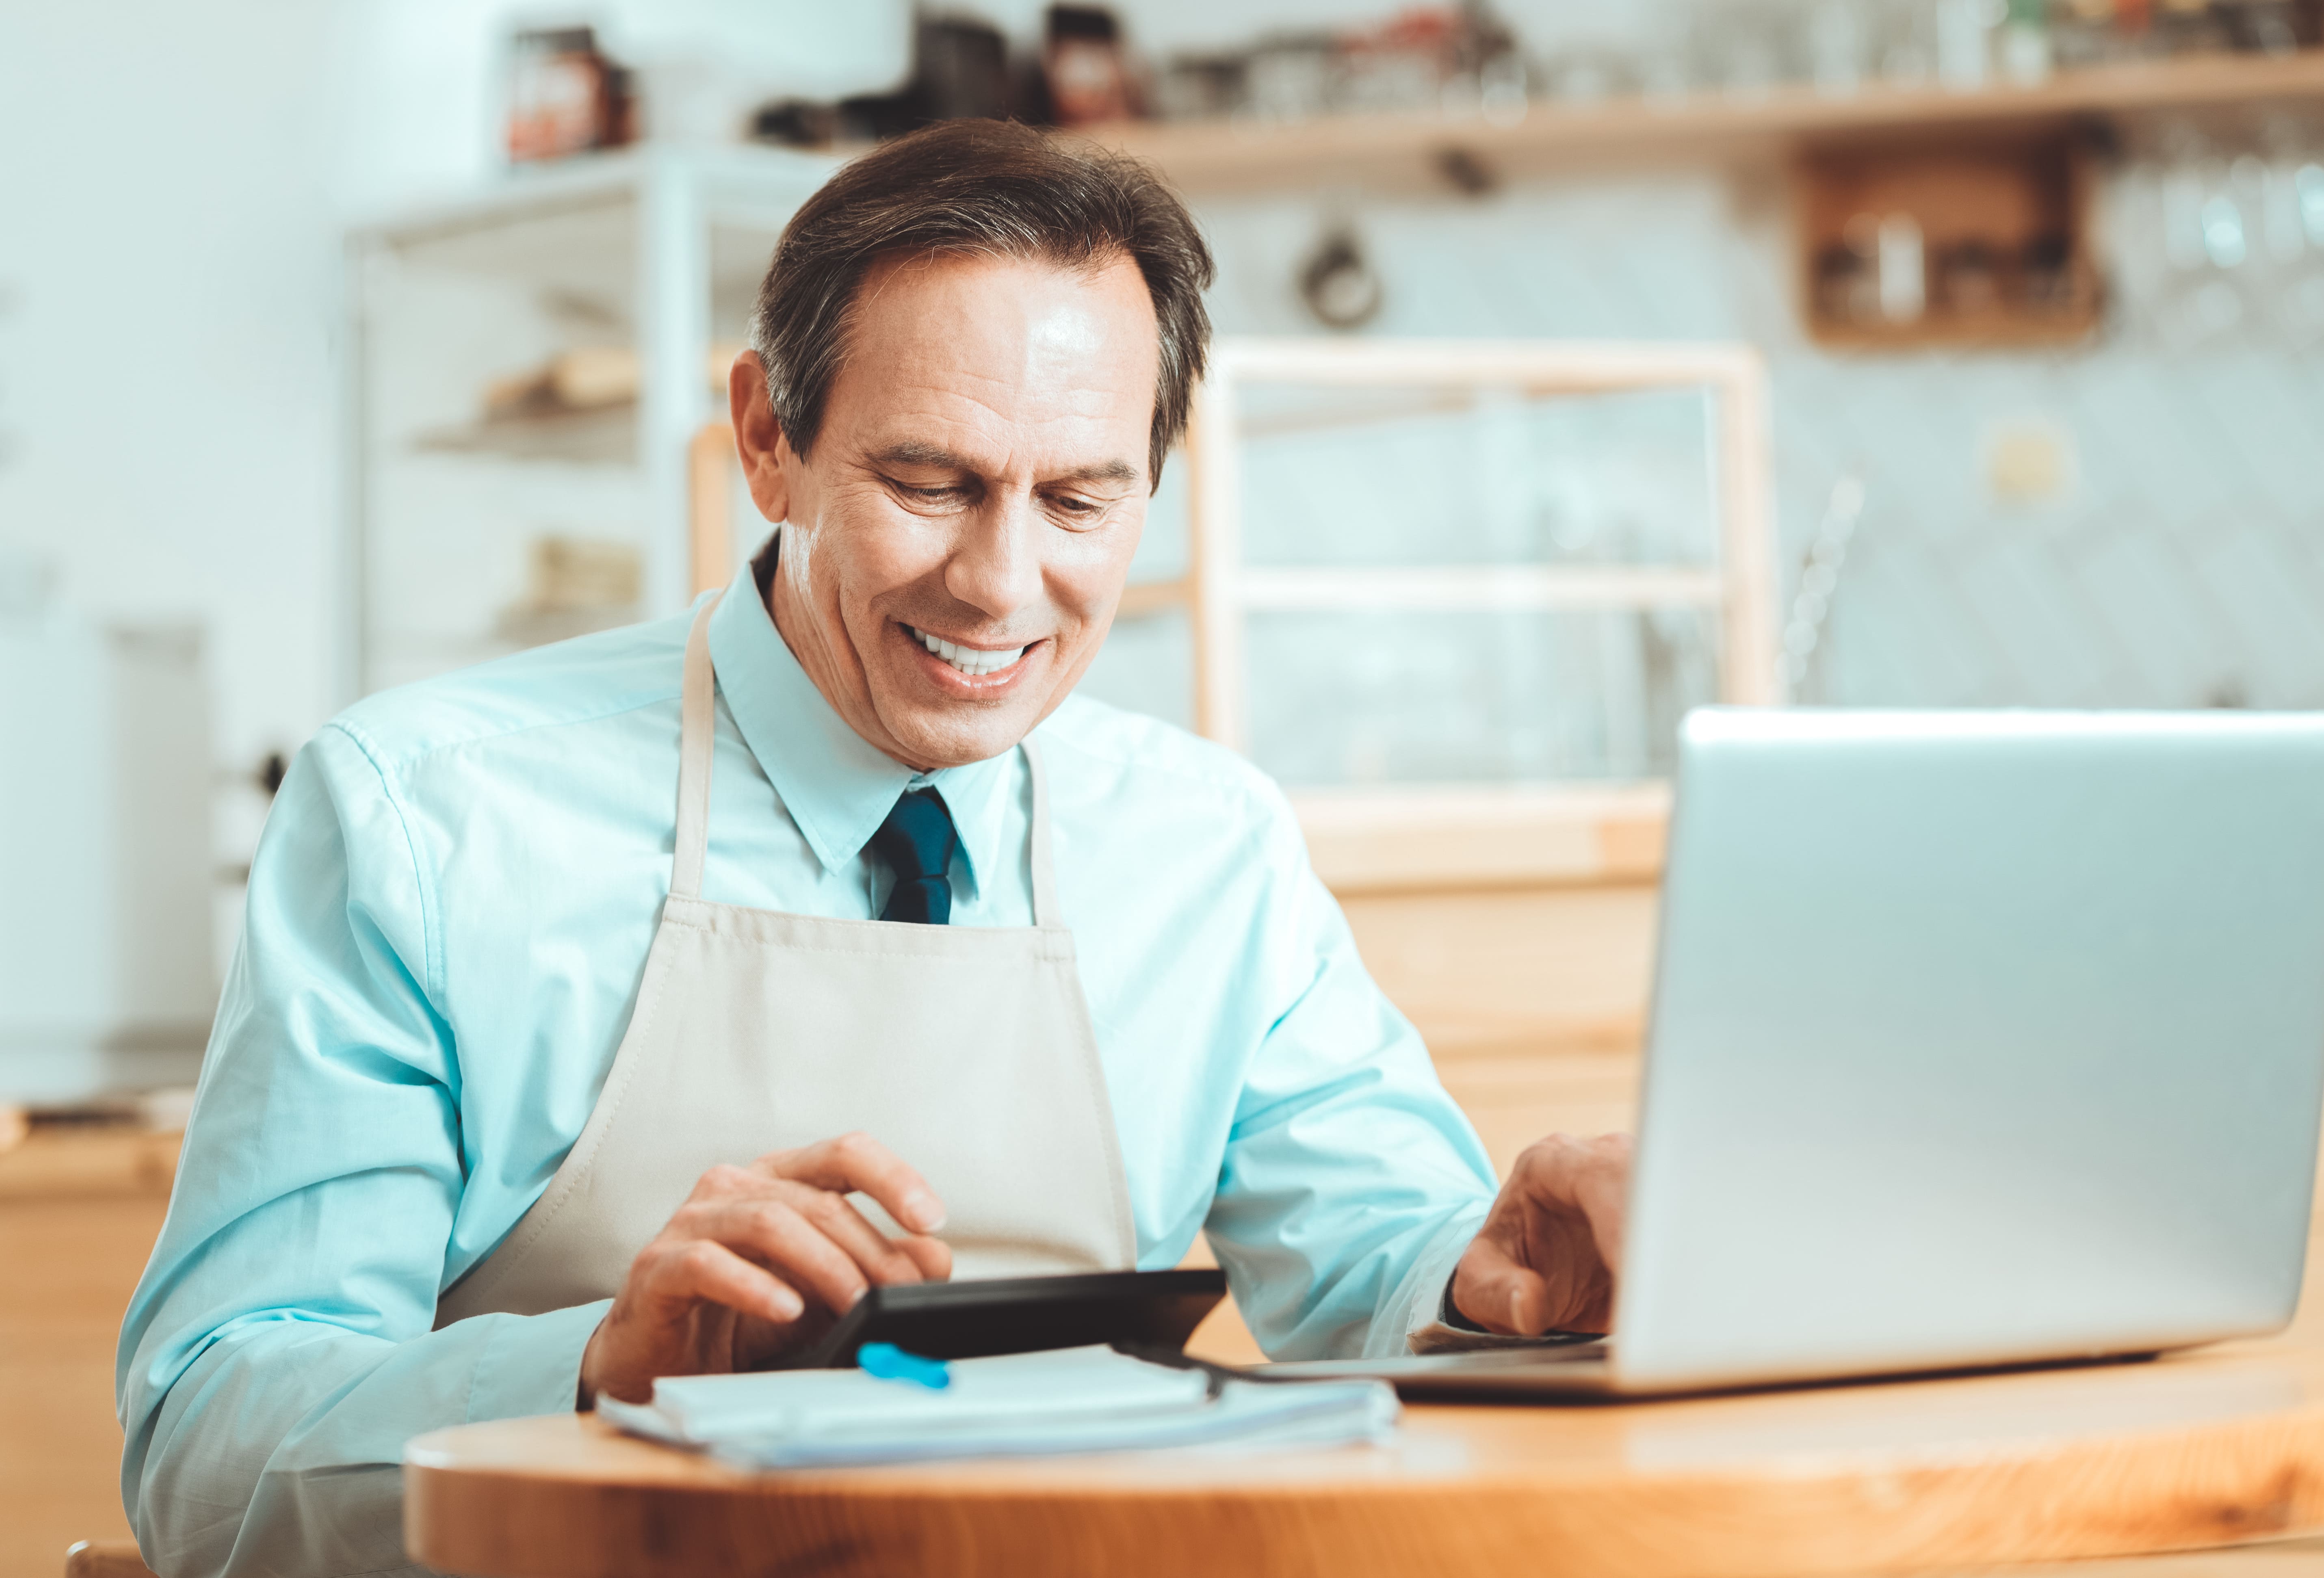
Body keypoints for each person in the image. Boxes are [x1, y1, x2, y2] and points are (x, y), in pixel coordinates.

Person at [117, 119, 1630, 1578]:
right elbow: (206, 1465)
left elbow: (1381, 1274)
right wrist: (596, 1370)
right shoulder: (422, 818)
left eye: (1080, 500)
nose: (999, 582)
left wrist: (1491, 1277)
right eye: (931, 483)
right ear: (768, 440)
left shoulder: (1206, 847)